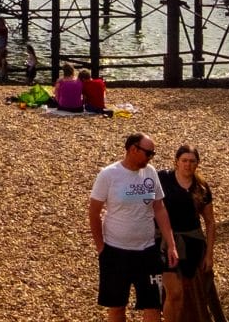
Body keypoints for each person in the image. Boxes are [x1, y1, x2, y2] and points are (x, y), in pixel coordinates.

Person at [89, 133, 180, 322]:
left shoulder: (150, 172)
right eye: (148, 153)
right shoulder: (109, 174)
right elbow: (94, 212)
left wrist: (171, 244)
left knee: (153, 306)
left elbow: (159, 208)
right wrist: (101, 247)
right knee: (117, 307)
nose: (150, 158)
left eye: (152, 154)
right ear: (132, 149)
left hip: (147, 250)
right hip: (115, 251)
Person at [157, 145, 219, 322]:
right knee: (173, 292)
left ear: (197, 164)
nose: (188, 164)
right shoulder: (163, 179)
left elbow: (210, 221)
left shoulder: (201, 187)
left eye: (192, 161)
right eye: (184, 160)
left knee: (191, 292)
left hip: (192, 244)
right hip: (165, 242)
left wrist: (209, 255)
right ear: (176, 161)